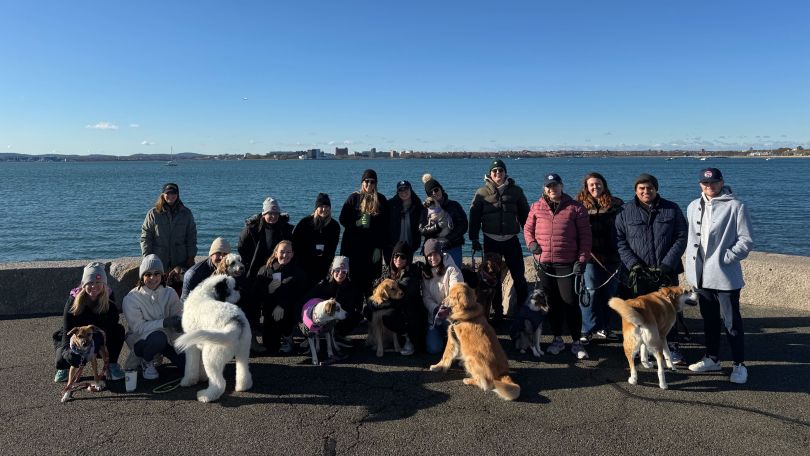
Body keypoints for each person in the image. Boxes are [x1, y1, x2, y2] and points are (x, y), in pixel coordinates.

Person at [684, 168, 754, 384]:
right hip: (700, 275)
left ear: (722, 182)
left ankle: (739, 364)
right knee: (709, 320)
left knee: (732, 322)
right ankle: (712, 358)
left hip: (725, 275)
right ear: (700, 184)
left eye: (714, 182)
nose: (710, 186)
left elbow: (746, 240)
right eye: (705, 183)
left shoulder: (736, 206)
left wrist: (726, 257)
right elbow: (692, 238)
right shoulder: (693, 206)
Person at [615, 173, 688, 365]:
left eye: (649, 188)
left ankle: (672, 347)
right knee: (640, 312)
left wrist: (667, 263)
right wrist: (633, 264)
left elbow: (682, 236)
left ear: (656, 189)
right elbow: (619, 240)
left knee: (669, 311)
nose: (646, 191)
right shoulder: (624, 211)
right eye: (641, 188)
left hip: (666, 271)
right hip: (638, 273)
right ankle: (644, 348)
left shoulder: (672, 208)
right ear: (635, 190)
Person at [524, 173, 592, 359]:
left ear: (561, 186)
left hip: (567, 263)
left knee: (570, 302)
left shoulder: (576, 208)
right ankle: (557, 339)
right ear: (544, 188)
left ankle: (577, 342)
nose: (552, 189)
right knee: (551, 303)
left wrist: (582, 260)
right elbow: (528, 229)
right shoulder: (536, 207)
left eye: (555, 185)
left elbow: (586, 237)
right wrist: (531, 244)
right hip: (544, 263)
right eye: (549, 186)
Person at [469, 159, 530, 319]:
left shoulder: (516, 191)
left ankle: (523, 313)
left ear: (505, 173)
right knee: (492, 279)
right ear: (490, 174)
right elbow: (474, 217)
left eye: (500, 170)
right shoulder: (481, 192)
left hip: (511, 240)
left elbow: (526, 216)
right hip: (491, 241)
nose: (498, 173)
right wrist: (474, 238)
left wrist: (530, 237)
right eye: (494, 171)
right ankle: (497, 313)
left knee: (519, 277)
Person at [53, 263, 125, 383]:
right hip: (76, 337)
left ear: (104, 284)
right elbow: (67, 329)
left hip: (97, 335)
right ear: (84, 284)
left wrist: (95, 343)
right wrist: (67, 353)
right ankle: (64, 367)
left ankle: (111, 364)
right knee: (62, 358)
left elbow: (111, 324)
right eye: (90, 282)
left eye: (98, 282)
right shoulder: (72, 300)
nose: (94, 286)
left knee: (118, 331)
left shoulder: (109, 299)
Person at [575, 172, 624, 343]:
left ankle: (605, 327)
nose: (595, 187)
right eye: (591, 185)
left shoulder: (616, 204)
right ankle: (587, 328)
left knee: (610, 293)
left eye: (598, 184)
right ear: (586, 187)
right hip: (590, 257)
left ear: (604, 185)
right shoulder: (579, 205)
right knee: (590, 291)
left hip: (613, 256)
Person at [122, 255, 185, 381]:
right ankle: (146, 360)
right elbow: (138, 328)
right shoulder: (131, 298)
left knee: (189, 367)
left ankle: (159, 354)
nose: (152, 278)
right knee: (158, 338)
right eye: (148, 274)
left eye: (157, 273)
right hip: (142, 339)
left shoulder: (170, 292)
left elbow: (178, 315)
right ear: (142, 277)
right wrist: (164, 322)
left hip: (169, 338)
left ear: (162, 275)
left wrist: (180, 324)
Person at [339, 169, 389, 299]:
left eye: (372, 182)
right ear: (362, 182)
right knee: (354, 283)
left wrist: (379, 248)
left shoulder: (381, 199)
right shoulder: (353, 198)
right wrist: (357, 222)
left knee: (371, 284)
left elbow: (385, 227)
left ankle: (371, 309)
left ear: (376, 184)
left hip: (372, 249)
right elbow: (343, 219)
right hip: (354, 248)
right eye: (367, 181)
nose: (369, 184)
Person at [370, 241, 426, 355]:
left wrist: (376, 304)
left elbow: (398, 300)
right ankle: (385, 339)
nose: (398, 259)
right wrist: (372, 302)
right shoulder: (390, 271)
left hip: (410, 314)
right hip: (397, 308)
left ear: (408, 259)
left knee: (387, 316)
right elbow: (376, 286)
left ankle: (408, 338)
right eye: (396, 256)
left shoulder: (412, 274)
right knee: (368, 311)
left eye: (403, 256)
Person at [254, 241, 306, 354]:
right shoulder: (265, 270)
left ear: (293, 254)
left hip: (288, 311)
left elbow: (299, 294)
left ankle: (288, 336)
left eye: (288, 252)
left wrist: (282, 305)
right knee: (270, 347)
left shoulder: (298, 272)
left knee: (287, 315)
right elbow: (257, 294)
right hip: (270, 311)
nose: (285, 255)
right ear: (276, 253)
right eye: (282, 252)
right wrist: (268, 290)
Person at [306, 256, 364, 345]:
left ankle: (338, 335)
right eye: (337, 270)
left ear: (347, 273)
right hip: (322, 319)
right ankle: (313, 335)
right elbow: (307, 302)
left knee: (357, 316)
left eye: (344, 272)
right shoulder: (322, 285)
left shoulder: (352, 288)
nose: (340, 274)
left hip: (340, 317)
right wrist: (305, 323)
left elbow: (358, 305)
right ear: (332, 271)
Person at [140, 182, 197, 272]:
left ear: (177, 195)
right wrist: (147, 257)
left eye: (173, 193)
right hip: (158, 261)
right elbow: (146, 237)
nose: (171, 195)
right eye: (168, 193)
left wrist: (191, 257)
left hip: (180, 261)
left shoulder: (186, 213)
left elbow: (191, 236)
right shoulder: (153, 213)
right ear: (163, 194)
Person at [421, 238, 464, 355]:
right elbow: (426, 297)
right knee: (433, 349)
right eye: (429, 255)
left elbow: (456, 291)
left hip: (452, 316)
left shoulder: (452, 269)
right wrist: (435, 308)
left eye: (435, 254)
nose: (433, 258)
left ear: (440, 253)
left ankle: (454, 338)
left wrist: (445, 307)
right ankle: (442, 337)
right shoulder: (425, 273)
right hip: (434, 317)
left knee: (459, 350)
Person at [239, 197, 295, 281]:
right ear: (264, 214)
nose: (274, 216)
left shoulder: (287, 229)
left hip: (279, 266)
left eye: (276, 213)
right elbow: (242, 248)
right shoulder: (251, 230)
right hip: (256, 267)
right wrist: (250, 262)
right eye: (270, 213)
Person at [418, 174, 468, 267]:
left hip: (453, 246)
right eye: (430, 192)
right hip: (433, 249)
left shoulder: (454, 205)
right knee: (435, 274)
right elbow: (422, 230)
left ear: (441, 189)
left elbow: (463, 225)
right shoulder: (425, 209)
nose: (434, 193)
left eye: (436, 190)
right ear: (428, 195)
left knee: (455, 273)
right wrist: (437, 226)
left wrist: (448, 239)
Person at [292, 193, 341, 288]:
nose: (324, 209)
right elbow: (294, 243)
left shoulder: (334, 226)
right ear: (316, 208)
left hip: (323, 266)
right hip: (303, 265)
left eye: (327, 206)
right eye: (321, 206)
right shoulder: (305, 223)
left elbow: (332, 248)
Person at [181, 237, 230, 301]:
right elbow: (185, 302)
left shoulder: (231, 271)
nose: (221, 257)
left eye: (225, 254)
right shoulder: (193, 275)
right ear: (211, 255)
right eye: (218, 253)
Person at [385, 180, 422, 262]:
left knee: (407, 269)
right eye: (400, 190)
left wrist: (416, 245)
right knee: (392, 269)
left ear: (411, 189)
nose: (403, 192)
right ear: (397, 192)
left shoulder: (417, 206)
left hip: (410, 247)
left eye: (406, 189)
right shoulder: (390, 205)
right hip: (392, 247)